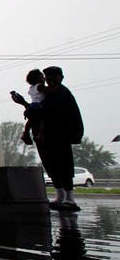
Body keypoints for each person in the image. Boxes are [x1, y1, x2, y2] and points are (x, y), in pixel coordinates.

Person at [36, 66, 84, 211]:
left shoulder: (62, 93)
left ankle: (69, 197)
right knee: (53, 165)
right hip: (49, 136)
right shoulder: (49, 94)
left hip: (60, 136)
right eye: (47, 76)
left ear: (59, 77)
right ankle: (60, 195)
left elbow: (53, 114)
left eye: (51, 76)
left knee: (64, 165)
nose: (48, 79)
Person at [10, 68, 47, 145]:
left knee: (30, 121)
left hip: (32, 106)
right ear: (38, 78)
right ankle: (41, 134)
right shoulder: (40, 86)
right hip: (39, 106)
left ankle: (26, 133)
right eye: (42, 76)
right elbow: (48, 93)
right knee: (43, 118)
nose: (44, 78)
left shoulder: (31, 88)